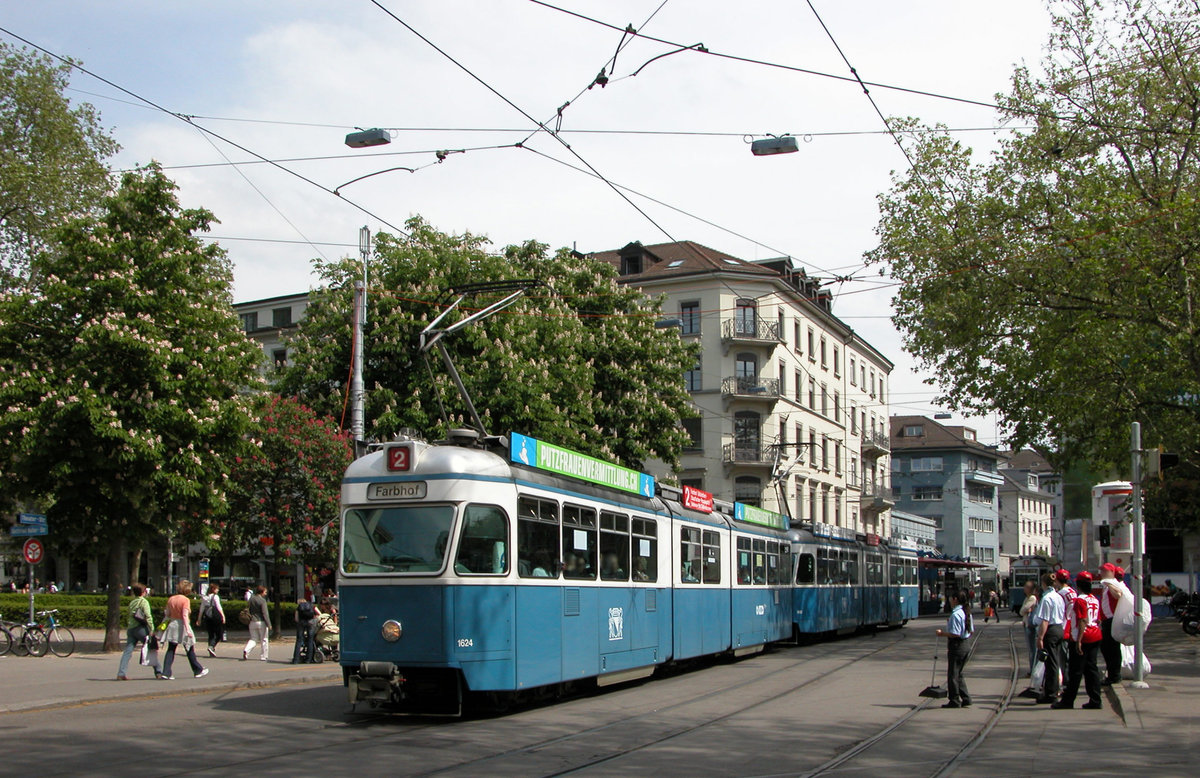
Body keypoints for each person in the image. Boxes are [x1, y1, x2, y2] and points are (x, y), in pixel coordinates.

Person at [1054, 571, 1104, 709]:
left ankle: (1068, 701)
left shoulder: (1079, 600)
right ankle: (1095, 699)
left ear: (1078, 585)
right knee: (1091, 669)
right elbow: (1098, 619)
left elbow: (1082, 620)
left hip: (1082, 637)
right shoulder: (1094, 599)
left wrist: (1079, 641)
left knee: (1075, 671)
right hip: (1096, 635)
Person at [161, 579, 208, 680]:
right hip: (182, 625)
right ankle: (197, 670)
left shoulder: (171, 599)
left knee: (171, 649)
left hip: (172, 624)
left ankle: (166, 672)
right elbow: (185, 615)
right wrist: (188, 630)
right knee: (189, 647)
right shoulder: (185, 600)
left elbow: (167, 614)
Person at [935, 588, 974, 708]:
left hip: (957, 646)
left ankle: (954, 700)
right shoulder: (966, 612)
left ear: (955, 599)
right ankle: (966, 698)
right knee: (959, 673)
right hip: (966, 644)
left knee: (953, 674)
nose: (950, 601)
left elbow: (955, 633)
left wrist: (942, 633)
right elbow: (970, 631)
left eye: (951, 598)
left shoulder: (956, 614)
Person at [117, 582, 163, 680]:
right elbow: (148, 616)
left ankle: (121, 673)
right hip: (141, 629)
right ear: (143, 592)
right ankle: (158, 671)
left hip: (131, 629)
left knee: (128, 652)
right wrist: (152, 629)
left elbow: (128, 615)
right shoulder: (143, 602)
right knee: (150, 648)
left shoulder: (132, 602)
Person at [1034, 572, 1067, 704]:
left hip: (1051, 630)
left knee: (1051, 663)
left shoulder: (1047, 598)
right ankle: (1052, 689)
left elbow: (1045, 620)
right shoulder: (1058, 596)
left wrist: (1040, 637)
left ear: (1043, 584)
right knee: (1055, 661)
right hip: (1059, 628)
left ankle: (1051, 693)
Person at [1098, 563, 1124, 685]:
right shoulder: (1105, 585)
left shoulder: (1112, 583)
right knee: (1106, 648)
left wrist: (1109, 583)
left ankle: (1115, 675)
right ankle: (1112, 673)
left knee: (1112, 648)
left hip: (1112, 620)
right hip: (1106, 620)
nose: (1102, 573)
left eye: (1104, 571)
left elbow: (1118, 595)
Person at [196, 582, 226, 657]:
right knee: (219, 633)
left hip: (207, 617)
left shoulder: (204, 597)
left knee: (211, 634)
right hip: (215, 617)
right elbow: (219, 607)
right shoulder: (215, 597)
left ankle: (211, 648)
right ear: (213, 589)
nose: (218, 590)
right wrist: (223, 616)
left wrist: (199, 619)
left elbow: (201, 609)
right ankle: (212, 646)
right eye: (217, 589)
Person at [242, 585, 270, 661]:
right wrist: (269, 624)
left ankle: (246, 650)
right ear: (262, 592)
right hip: (261, 622)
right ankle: (264, 656)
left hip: (252, 622)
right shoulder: (262, 601)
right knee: (264, 639)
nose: (266, 593)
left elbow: (248, 610)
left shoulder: (251, 599)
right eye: (265, 592)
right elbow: (265, 613)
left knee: (253, 639)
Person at [291, 595, 320, 664]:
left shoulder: (299, 608)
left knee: (299, 640)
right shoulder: (312, 606)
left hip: (301, 623)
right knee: (310, 640)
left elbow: (296, 619)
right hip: (311, 623)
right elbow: (319, 614)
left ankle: (296, 659)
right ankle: (308, 659)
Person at [1019, 580, 1040, 674]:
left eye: (1027, 586)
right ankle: (1032, 669)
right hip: (1027, 624)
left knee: (1032, 649)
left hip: (1031, 626)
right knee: (1031, 649)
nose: (1025, 588)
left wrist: (1025, 611)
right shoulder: (1027, 598)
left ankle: (1033, 670)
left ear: (1031, 589)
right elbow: (1022, 611)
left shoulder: (1032, 598)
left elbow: (1023, 610)